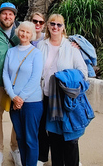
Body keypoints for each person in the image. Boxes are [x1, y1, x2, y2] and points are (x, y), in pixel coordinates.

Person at [37, 14, 89, 166]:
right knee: (53, 136)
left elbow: (83, 72)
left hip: (65, 99)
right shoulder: (42, 45)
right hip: (47, 97)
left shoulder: (71, 48)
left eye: (59, 25)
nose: (55, 27)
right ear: (48, 25)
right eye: (52, 24)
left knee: (70, 137)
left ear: (63, 27)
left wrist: (66, 80)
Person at [3, 21, 43, 166]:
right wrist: (14, 97)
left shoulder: (36, 54)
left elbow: (35, 78)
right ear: (18, 31)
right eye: (22, 31)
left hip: (32, 102)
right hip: (15, 101)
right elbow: (5, 75)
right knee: (20, 137)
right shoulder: (11, 52)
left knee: (30, 139)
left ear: (32, 35)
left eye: (27, 32)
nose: (24, 34)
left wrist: (21, 98)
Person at [0, 2, 22, 166]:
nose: (8, 17)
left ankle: (14, 148)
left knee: (17, 118)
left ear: (14, 17)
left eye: (11, 14)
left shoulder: (19, 31)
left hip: (16, 83)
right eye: (5, 14)